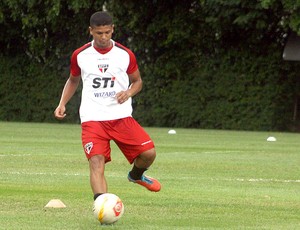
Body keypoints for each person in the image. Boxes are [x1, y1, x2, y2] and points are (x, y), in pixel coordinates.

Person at [54, 11, 161, 201]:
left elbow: (137, 82)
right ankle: (102, 208)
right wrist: (62, 103)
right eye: (98, 33)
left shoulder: (125, 54)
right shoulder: (80, 55)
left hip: (121, 117)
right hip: (92, 118)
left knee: (149, 153)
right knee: (96, 162)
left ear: (113, 29)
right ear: (91, 31)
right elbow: (73, 80)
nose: (103, 37)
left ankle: (136, 176)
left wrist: (128, 92)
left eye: (107, 32)